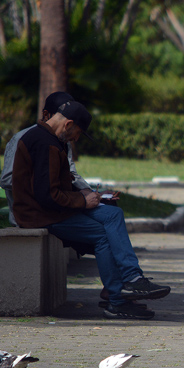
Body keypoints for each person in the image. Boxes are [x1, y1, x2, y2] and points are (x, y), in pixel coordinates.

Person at [11, 101, 171, 320]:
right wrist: (82, 201)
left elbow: (59, 186)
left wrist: (89, 195)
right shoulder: (43, 143)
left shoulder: (54, 141)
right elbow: (46, 196)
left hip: (56, 208)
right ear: (68, 124)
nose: (76, 139)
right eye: (78, 133)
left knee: (113, 214)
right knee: (102, 235)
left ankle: (132, 279)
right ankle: (116, 299)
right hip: (39, 214)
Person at [1, 92, 92, 227]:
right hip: (33, 214)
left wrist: (90, 194)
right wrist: (43, 183)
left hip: (58, 207)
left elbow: (71, 175)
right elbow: (7, 179)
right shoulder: (26, 138)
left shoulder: (63, 139)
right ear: (47, 115)